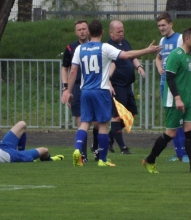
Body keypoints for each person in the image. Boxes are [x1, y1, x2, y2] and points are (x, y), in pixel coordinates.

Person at [65, 19, 161, 166]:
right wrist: (148, 50)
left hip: (85, 91)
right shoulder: (105, 48)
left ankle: (78, 150)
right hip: (101, 90)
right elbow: (127, 55)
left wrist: (69, 91)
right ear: (103, 32)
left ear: (89, 33)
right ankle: (103, 159)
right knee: (103, 125)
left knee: (84, 123)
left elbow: (72, 71)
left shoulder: (80, 49)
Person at [94, 20, 145, 156]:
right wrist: (109, 83)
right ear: (110, 32)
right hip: (117, 86)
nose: (121, 34)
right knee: (117, 116)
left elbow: (132, 55)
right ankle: (123, 147)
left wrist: (139, 66)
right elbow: (106, 68)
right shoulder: (107, 46)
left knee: (131, 115)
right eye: (118, 32)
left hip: (127, 86)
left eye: (122, 31)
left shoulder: (125, 43)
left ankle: (110, 138)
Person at [143, 28, 191, 173]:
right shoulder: (176, 55)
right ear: (187, 39)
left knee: (189, 131)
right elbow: (169, 77)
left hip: (188, 100)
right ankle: (150, 160)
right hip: (174, 101)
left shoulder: (189, 56)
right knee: (171, 133)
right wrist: (177, 98)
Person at [61, 20, 98, 162]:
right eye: (79, 29)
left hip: (93, 85)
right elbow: (65, 68)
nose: (82, 31)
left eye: (84, 29)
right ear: (76, 32)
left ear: (89, 31)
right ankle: (83, 155)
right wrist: (66, 88)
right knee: (81, 120)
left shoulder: (96, 46)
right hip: (77, 87)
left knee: (96, 122)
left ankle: (96, 145)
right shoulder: (71, 48)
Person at [155, 11, 189, 163]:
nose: (161, 28)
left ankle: (184, 153)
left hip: (177, 83)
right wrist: (159, 68)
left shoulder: (180, 38)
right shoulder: (162, 40)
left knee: (182, 121)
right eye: (159, 26)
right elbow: (158, 57)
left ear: (171, 24)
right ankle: (178, 152)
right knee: (173, 121)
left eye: (163, 25)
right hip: (166, 83)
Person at [0, 121, 64, 164]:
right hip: (12, 155)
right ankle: (48, 159)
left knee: (22, 124)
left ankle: (23, 152)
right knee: (45, 150)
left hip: (3, 146)